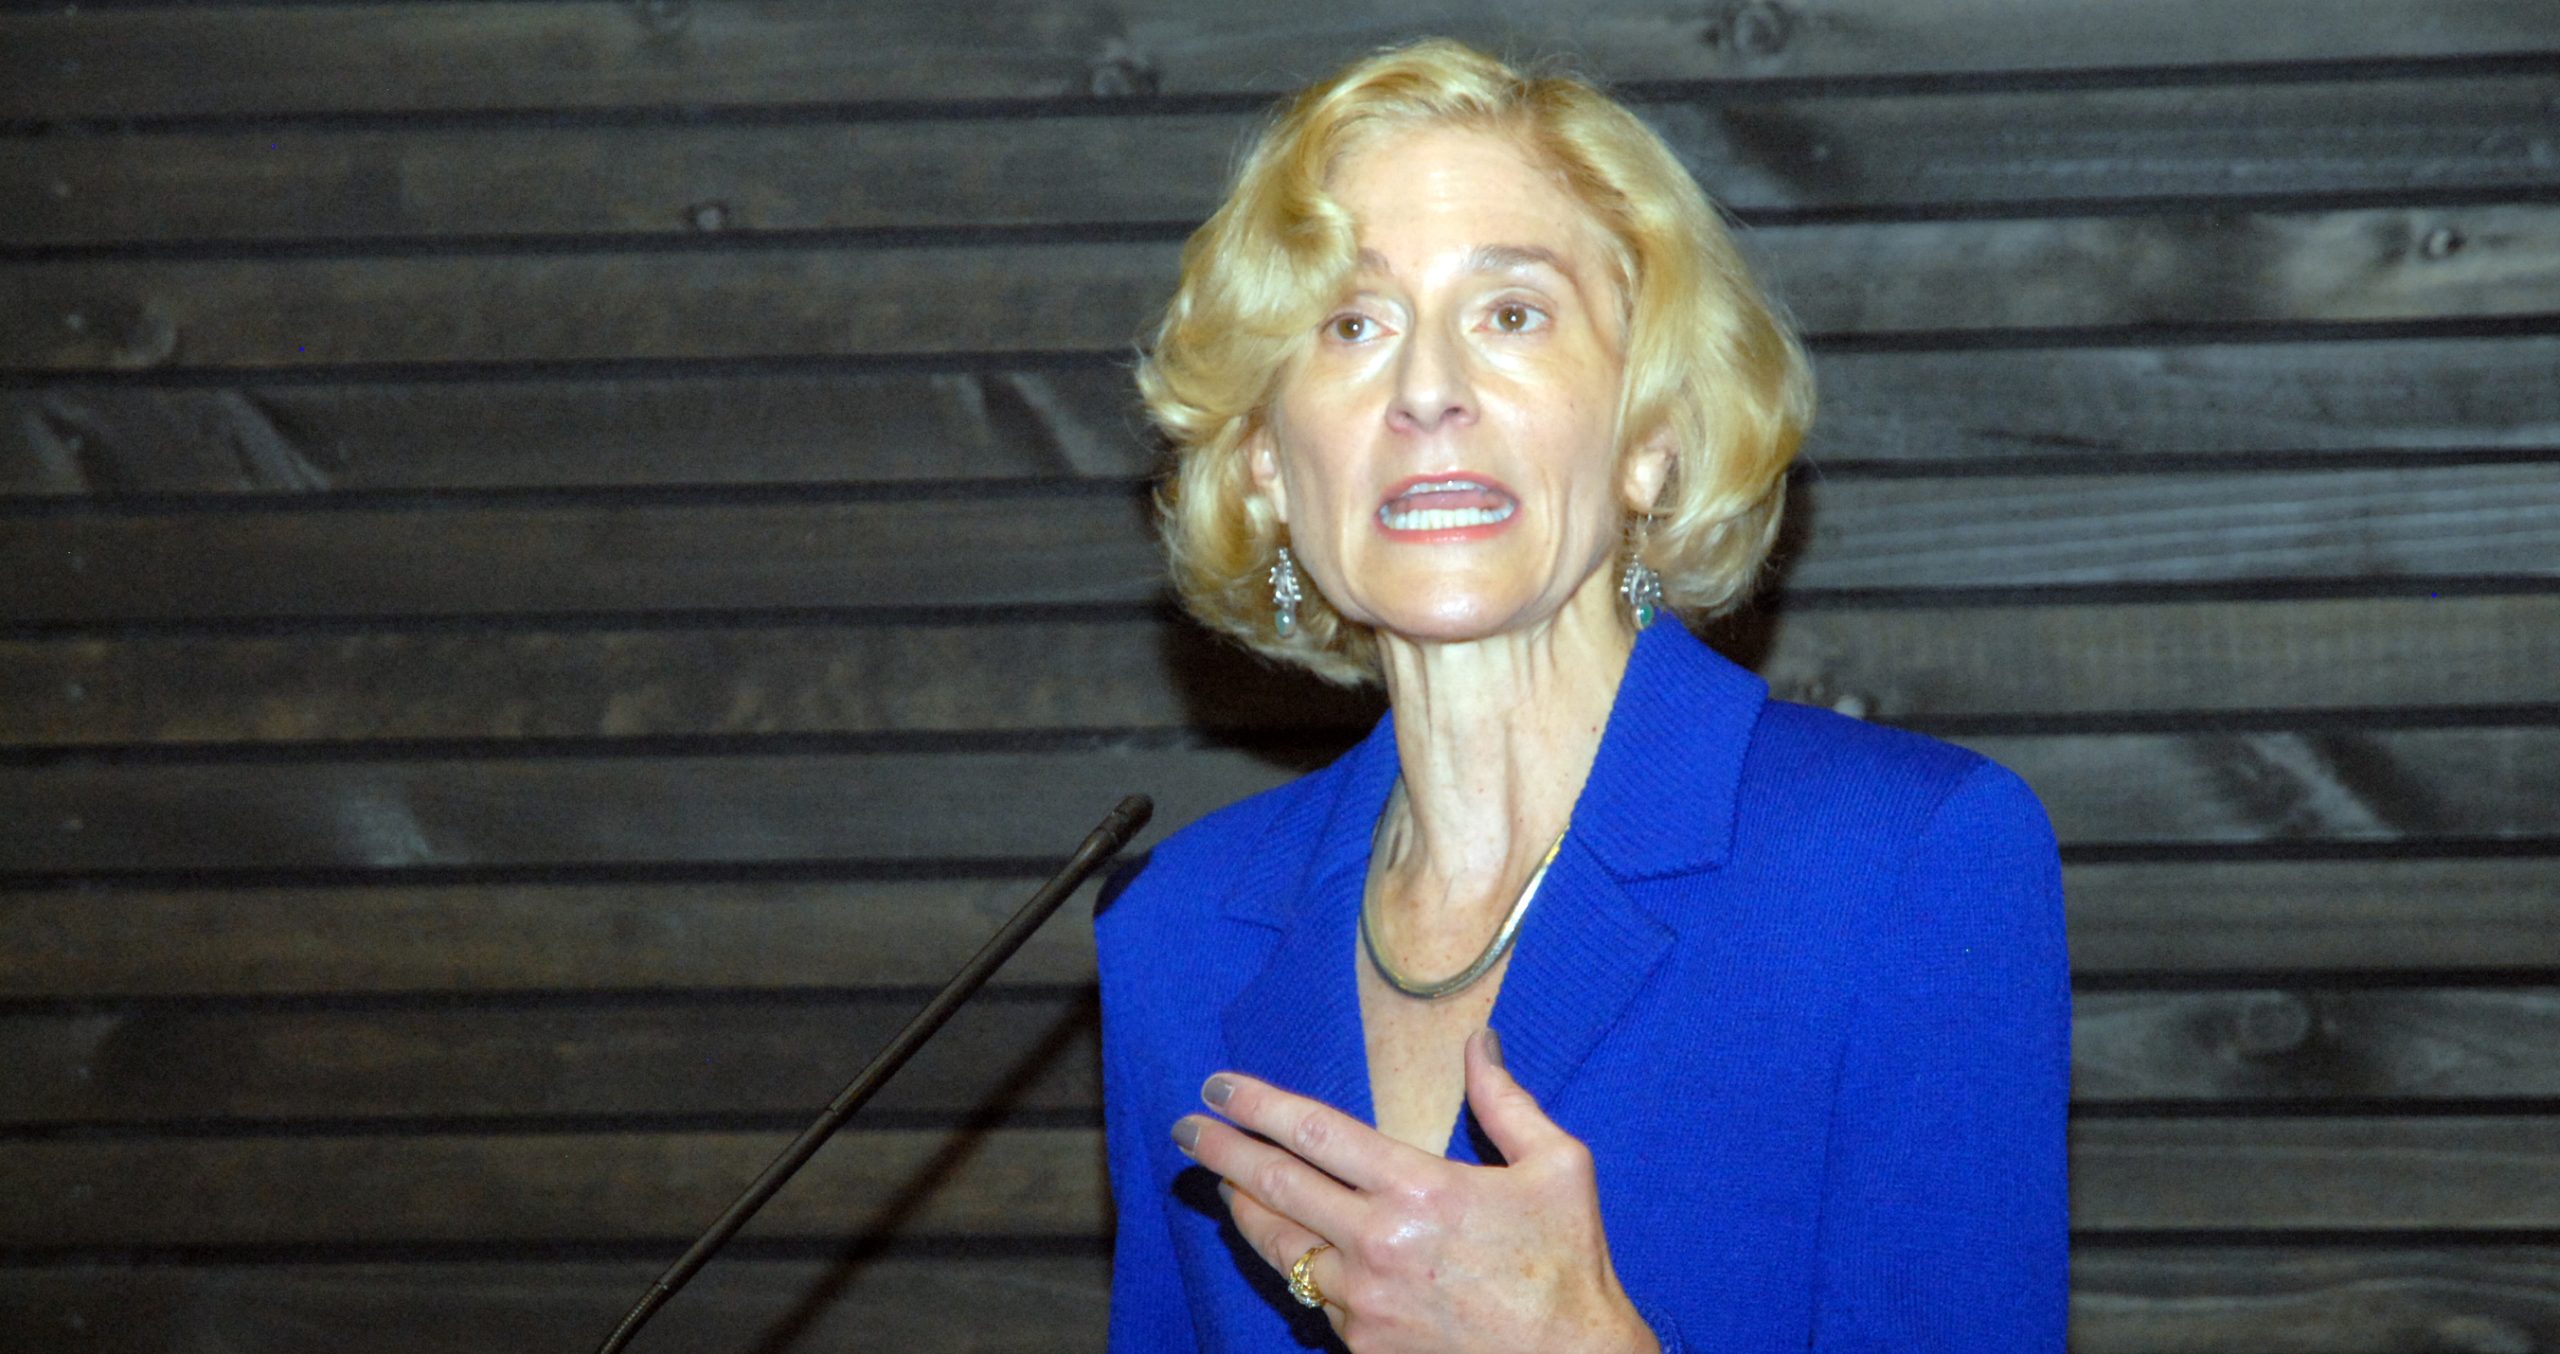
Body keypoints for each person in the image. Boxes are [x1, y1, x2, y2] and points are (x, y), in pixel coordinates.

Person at [1095, 38, 2068, 1353]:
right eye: (1352, 325)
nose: (1427, 391)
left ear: (1649, 439)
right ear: (1267, 458)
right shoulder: (1177, 931)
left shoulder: (1904, 864)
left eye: (1511, 314)